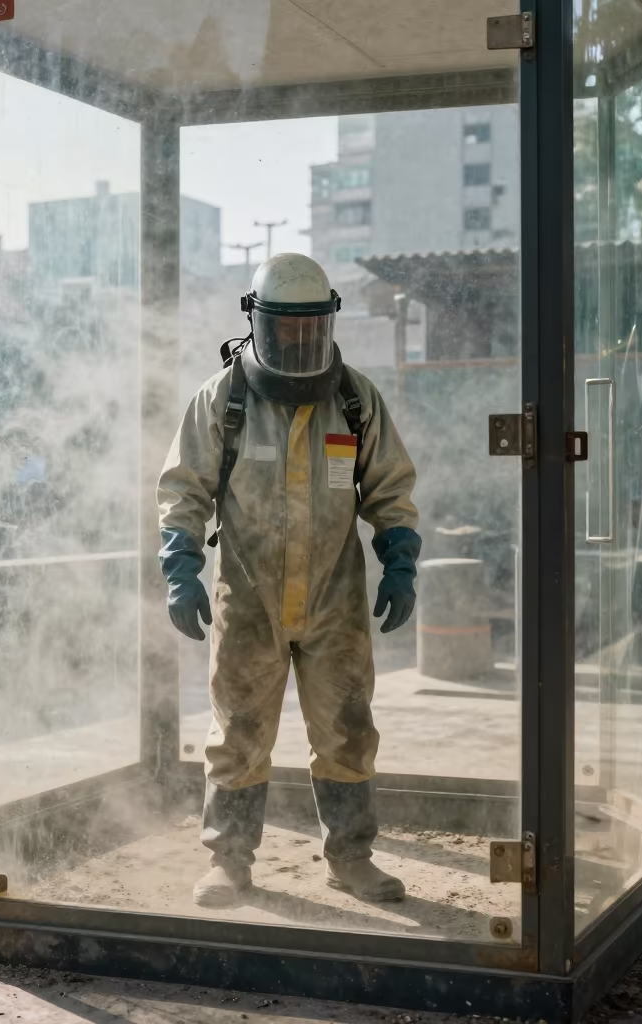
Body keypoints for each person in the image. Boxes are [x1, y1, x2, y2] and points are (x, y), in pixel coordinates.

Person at [157, 253, 422, 909]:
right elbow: (183, 488)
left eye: (312, 328)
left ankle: (352, 857)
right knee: (239, 731)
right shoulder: (225, 400)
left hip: (335, 600)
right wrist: (180, 567)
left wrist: (400, 559)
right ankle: (229, 861)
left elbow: (388, 486)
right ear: (258, 323)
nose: (301, 341)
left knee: (348, 729)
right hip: (249, 600)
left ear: (328, 322)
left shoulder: (355, 400)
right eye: (287, 328)